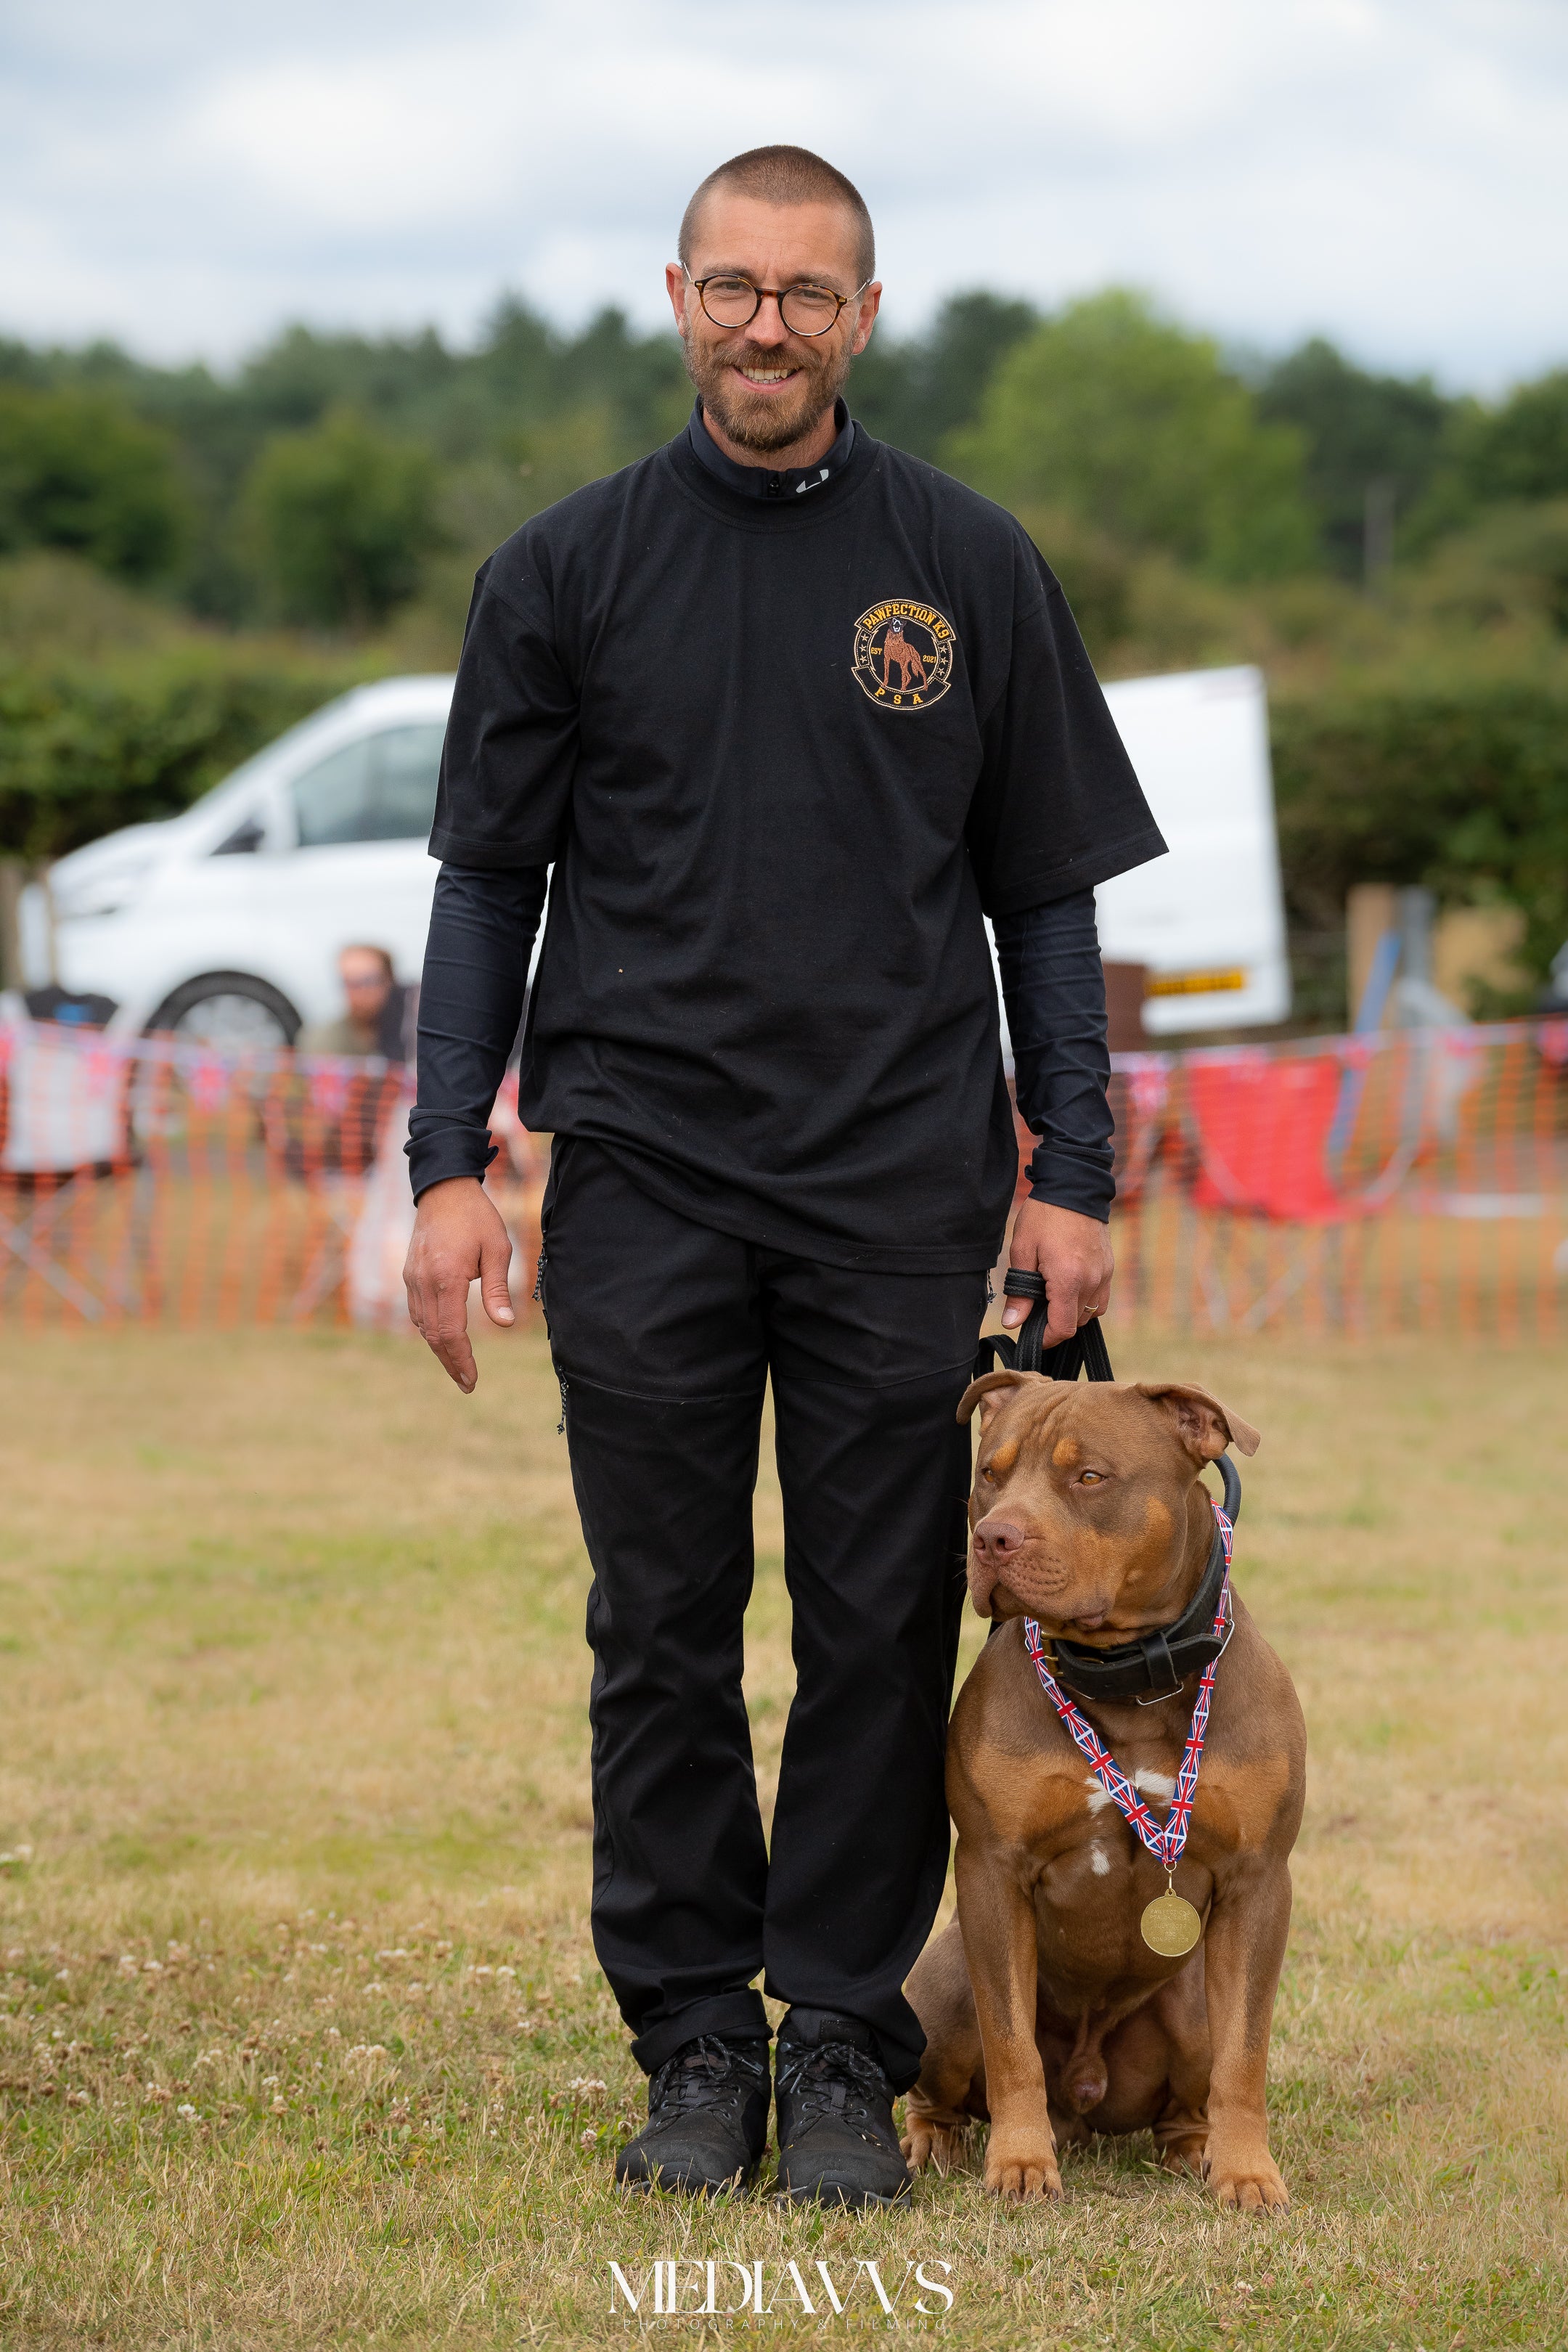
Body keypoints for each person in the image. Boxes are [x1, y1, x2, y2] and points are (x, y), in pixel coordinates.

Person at [403, 146, 1165, 2208]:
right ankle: (686, 2042)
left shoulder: (970, 564)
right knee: (659, 1618)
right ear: (677, 296)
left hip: (897, 1185)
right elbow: (485, 884)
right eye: (733, 286)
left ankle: (837, 2040)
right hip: (641, 1172)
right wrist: (445, 1166)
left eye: (805, 292)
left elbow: (1048, 903)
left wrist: (1070, 1168)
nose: (766, 322)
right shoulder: (562, 573)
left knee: (875, 1618)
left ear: (864, 313)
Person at [298, 944, 414, 1060]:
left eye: (368, 982)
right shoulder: (323, 1039)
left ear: (390, 981)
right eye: (350, 983)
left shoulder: (411, 1032)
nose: (360, 993)